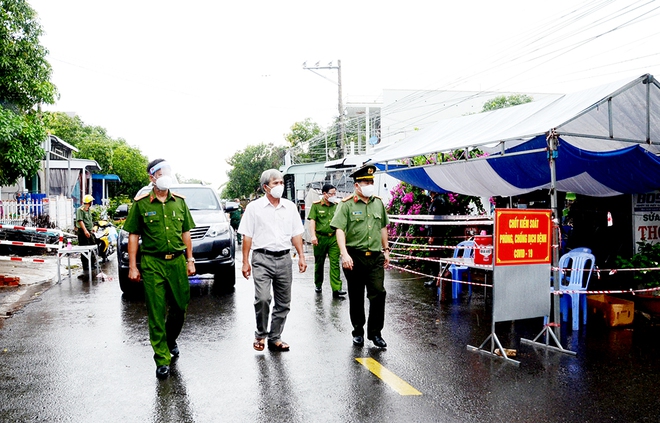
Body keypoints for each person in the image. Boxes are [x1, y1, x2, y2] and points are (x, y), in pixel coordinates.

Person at [123, 159, 196, 380]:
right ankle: (162, 358)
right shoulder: (142, 203)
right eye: (162, 172)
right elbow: (133, 235)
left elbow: (186, 233)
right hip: (152, 262)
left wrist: (190, 260)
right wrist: (133, 266)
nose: (167, 175)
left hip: (176, 261)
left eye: (169, 171)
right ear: (152, 177)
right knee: (156, 311)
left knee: (180, 307)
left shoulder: (180, 202)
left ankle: (170, 338)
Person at [238, 169, 307, 352]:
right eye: (276, 183)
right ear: (265, 187)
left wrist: (301, 256)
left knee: (284, 302)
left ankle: (275, 337)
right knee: (262, 298)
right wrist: (245, 262)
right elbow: (247, 236)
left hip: (284, 258)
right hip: (261, 258)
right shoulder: (254, 208)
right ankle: (261, 333)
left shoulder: (290, 207)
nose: (280, 186)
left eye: (282, 183)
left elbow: (296, 234)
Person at [330, 164, 390, 348]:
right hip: (354, 257)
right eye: (366, 181)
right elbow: (339, 229)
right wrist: (344, 254)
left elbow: (382, 227)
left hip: (375, 257)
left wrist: (386, 250)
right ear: (357, 185)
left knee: (378, 293)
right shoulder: (346, 204)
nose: (369, 184)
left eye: (371, 181)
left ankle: (375, 333)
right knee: (356, 296)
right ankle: (358, 331)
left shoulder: (378, 202)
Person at [307, 184, 346, 298]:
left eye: (335, 193)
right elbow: (312, 221)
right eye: (331, 194)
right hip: (320, 238)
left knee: (335, 263)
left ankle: (336, 288)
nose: (334, 196)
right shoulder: (316, 206)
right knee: (319, 262)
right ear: (324, 194)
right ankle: (318, 284)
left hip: (334, 238)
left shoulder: (337, 206)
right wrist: (313, 236)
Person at [425, 191, 445, 288]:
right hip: (436, 234)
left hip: (436, 235)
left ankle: (436, 279)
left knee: (434, 257)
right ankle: (435, 278)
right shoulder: (437, 200)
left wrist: (432, 235)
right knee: (435, 257)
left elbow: (434, 221)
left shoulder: (438, 201)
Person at [75, 194, 97, 278]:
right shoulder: (80, 210)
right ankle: (85, 265)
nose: (92, 203)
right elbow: (80, 221)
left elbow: (89, 221)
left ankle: (92, 263)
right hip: (83, 232)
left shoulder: (88, 210)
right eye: (91, 201)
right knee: (84, 248)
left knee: (91, 247)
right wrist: (85, 231)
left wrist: (91, 230)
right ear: (89, 202)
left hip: (89, 231)